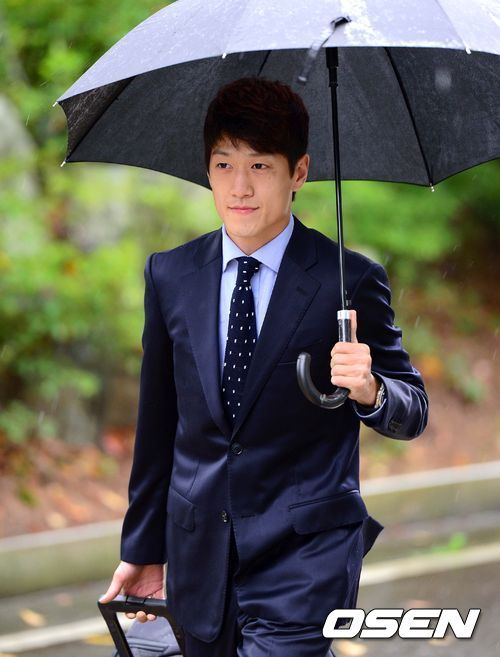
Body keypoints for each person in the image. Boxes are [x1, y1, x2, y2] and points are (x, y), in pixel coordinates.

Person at [100, 77, 428, 657]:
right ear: (207, 170)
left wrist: (371, 388)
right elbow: (157, 427)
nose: (240, 187)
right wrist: (143, 548)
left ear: (298, 172)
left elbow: (413, 409)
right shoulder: (170, 275)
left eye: (260, 166)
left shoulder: (348, 280)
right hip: (198, 556)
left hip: (305, 560)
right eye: (224, 165)